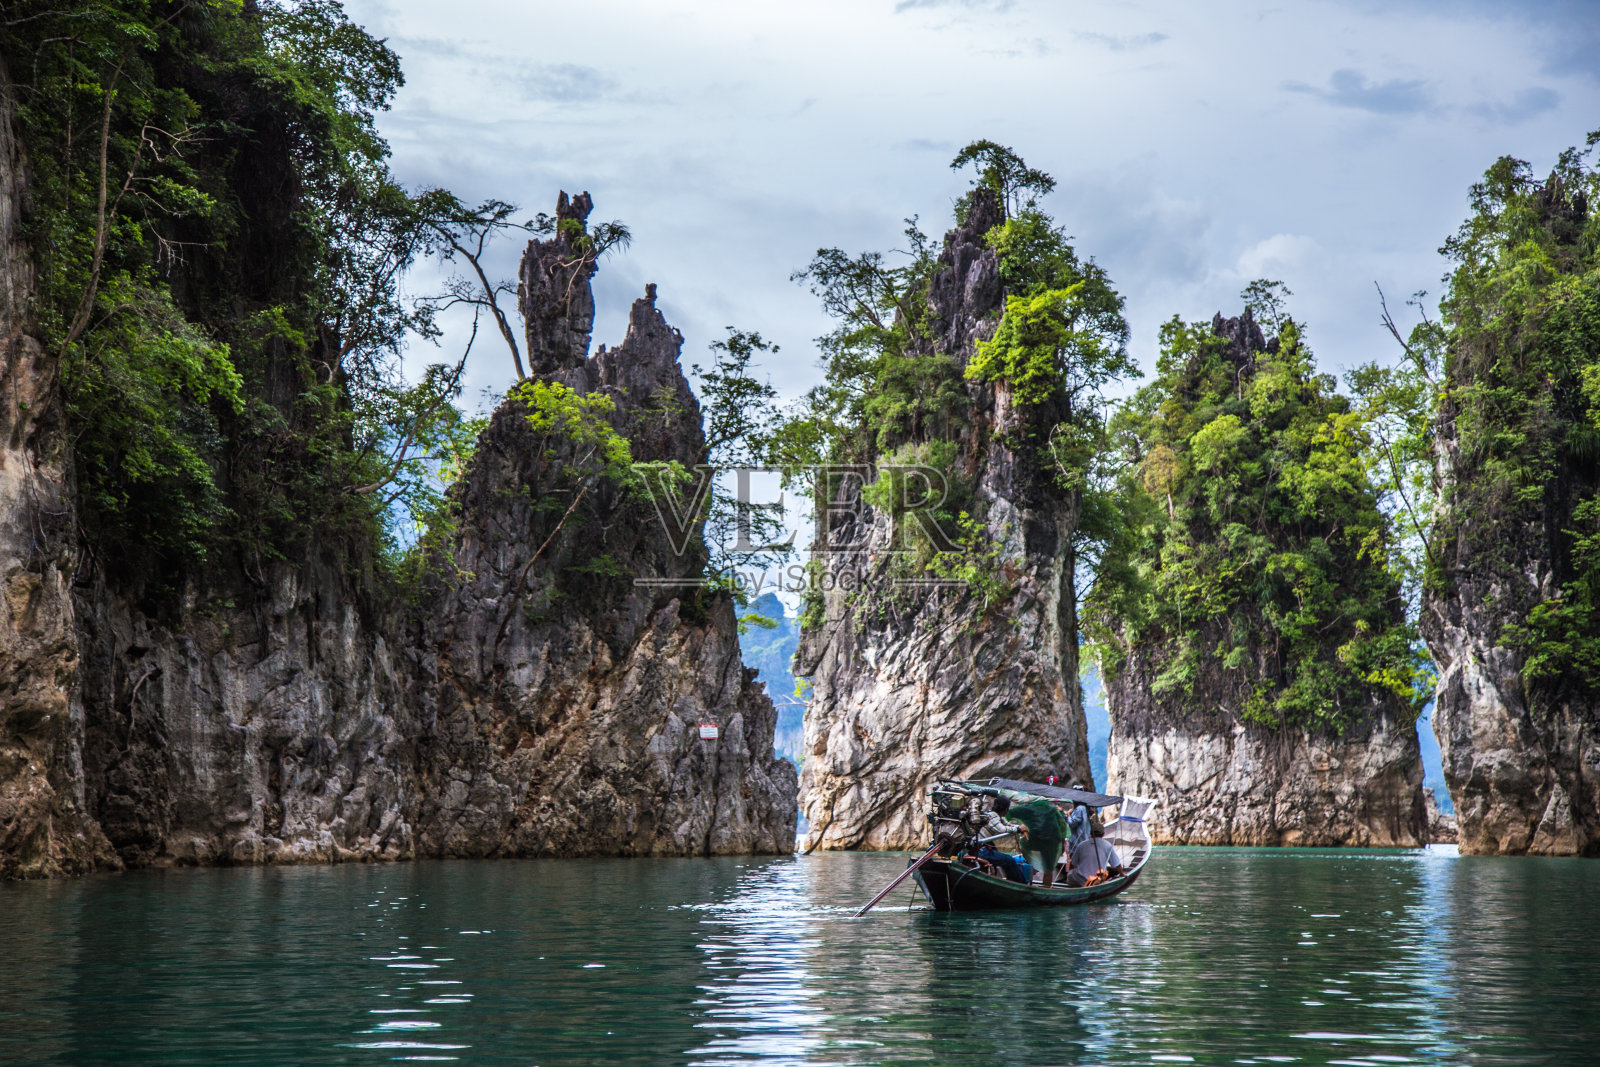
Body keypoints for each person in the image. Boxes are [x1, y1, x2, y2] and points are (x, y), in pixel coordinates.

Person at [971, 795, 1031, 884]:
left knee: (1007, 859)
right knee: (1008, 860)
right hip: (980, 850)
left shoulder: (998, 817)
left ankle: (1016, 882)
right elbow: (1001, 829)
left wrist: (1020, 828)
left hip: (985, 848)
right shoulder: (991, 816)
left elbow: (1008, 825)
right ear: (1005, 809)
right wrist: (1019, 829)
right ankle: (1020, 884)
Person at [1065, 821, 1123, 887]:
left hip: (1080, 879)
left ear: (1090, 833)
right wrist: (1122, 874)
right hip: (1096, 880)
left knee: (1070, 873)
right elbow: (1117, 864)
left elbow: (1073, 864)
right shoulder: (1107, 845)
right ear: (1103, 834)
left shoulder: (1081, 845)